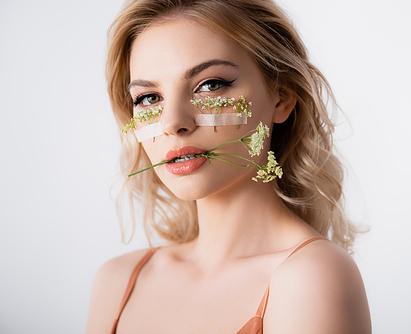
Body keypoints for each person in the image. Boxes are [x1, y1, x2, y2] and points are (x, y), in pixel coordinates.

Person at [86, 0, 371, 333]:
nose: (172, 123)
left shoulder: (311, 277)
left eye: (210, 85)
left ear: (281, 97)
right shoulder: (117, 282)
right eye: (149, 98)